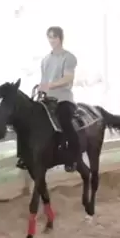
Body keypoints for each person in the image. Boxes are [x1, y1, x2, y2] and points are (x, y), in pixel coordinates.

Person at [39, 26, 79, 172]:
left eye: (54, 37)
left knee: (65, 121)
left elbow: (68, 78)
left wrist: (50, 85)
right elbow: (44, 80)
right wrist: (41, 89)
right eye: (49, 37)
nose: (52, 40)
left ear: (60, 38)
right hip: (47, 99)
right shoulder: (45, 60)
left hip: (63, 98)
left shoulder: (68, 57)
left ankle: (73, 157)